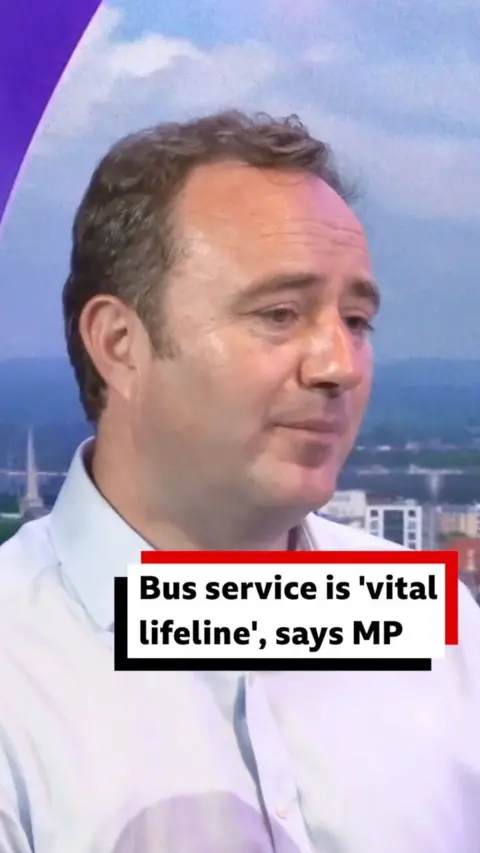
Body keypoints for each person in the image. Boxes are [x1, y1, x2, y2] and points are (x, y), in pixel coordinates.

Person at [0, 110, 479, 853]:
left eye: (357, 320)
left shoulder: (440, 625)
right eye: (280, 313)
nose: (339, 365)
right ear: (120, 345)